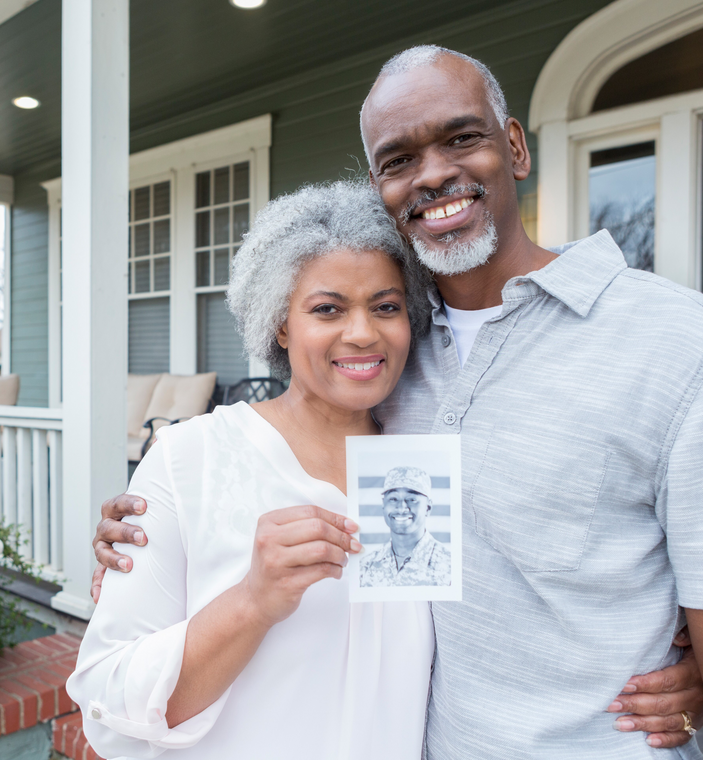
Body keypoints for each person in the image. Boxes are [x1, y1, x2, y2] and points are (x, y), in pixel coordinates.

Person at [94, 44, 703, 756]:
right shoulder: (399, 362)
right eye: (398, 160)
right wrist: (168, 537)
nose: (433, 174)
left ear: (514, 146)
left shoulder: (693, 351)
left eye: (461, 138)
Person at [68, 181, 438, 759]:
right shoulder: (191, 458)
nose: (363, 332)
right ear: (281, 323)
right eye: (327, 308)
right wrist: (252, 601)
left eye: (386, 306)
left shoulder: (424, 469)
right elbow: (108, 702)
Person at [360, 465, 451, 587]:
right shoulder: (366, 566)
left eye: (412, 499)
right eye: (393, 499)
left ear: (428, 508)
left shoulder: (449, 566)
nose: (402, 507)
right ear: (383, 505)